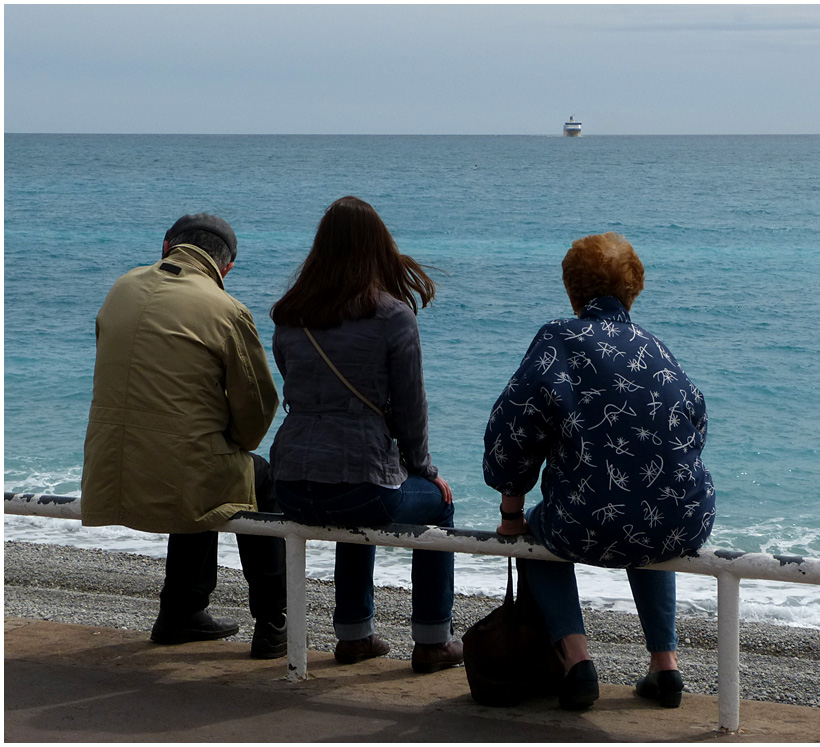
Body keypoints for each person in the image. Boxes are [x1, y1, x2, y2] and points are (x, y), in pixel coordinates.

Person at [482, 232, 716, 710]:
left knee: (534, 537)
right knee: (645, 509)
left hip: (587, 520)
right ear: (634, 290)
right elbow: (694, 424)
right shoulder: (657, 349)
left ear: (573, 290)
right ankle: (664, 664)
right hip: (681, 517)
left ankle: (577, 660)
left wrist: (511, 507)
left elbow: (513, 429)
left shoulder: (558, 339)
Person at [269, 196, 462, 674]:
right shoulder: (393, 315)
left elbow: (295, 386)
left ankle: (354, 636)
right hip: (358, 485)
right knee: (436, 505)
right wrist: (425, 471)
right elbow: (411, 409)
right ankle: (433, 640)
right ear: (378, 248)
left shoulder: (290, 316)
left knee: (354, 496)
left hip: (290, 483)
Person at [81, 213, 288, 659]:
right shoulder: (226, 310)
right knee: (252, 475)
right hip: (178, 473)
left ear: (166, 245)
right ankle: (275, 620)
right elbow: (257, 410)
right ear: (226, 268)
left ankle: (181, 611)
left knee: (197, 460)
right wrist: (232, 438)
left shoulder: (121, 288)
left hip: (109, 473)